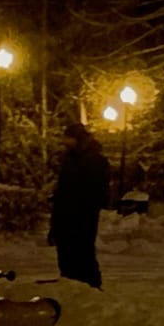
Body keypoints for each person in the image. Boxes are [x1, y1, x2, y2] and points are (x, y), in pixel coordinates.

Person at [50, 121, 112, 289]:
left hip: (82, 213)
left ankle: (87, 284)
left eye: (69, 139)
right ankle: (72, 283)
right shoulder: (71, 159)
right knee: (67, 251)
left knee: (81, 250)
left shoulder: (92, 160)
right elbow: (63, 188)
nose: (65, 143)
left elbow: (95, 189)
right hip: (67, 212)